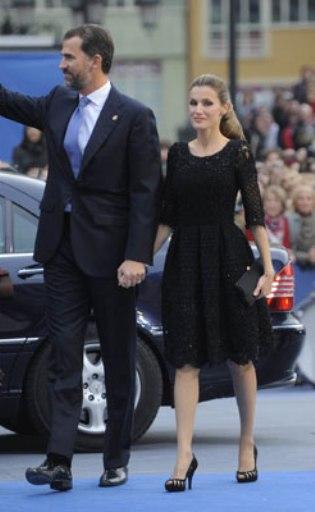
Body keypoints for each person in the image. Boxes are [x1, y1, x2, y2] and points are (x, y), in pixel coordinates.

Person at [0, 24, 161, 491]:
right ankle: (59, 461)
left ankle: (116, 457)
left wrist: (137, 256)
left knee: (116, 354)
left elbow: (145, 194)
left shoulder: (134, 116)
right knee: (64, 356)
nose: (61, 64)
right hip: (62, 250)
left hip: (114, 258)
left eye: (69, 57)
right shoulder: (56, 102)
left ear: (95, 60)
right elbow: (9, 101)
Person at [153, 74, 275, 491]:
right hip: (185, 261)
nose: (198, 110)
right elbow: (167, 217)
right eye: (193, 103)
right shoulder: (180, 157)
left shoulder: (239, 152)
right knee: (185, 360)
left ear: (223, 108)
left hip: (229, 258)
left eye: (206, 103)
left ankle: (246, 443)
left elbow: (255, 214)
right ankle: (184, 454)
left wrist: (269, 266)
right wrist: (138, 259)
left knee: (241, 357)